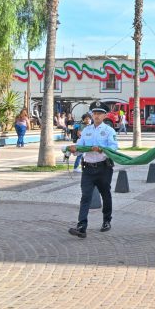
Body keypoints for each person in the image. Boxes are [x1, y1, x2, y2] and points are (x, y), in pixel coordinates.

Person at [66, 100, 119, 238]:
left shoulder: (109, 131)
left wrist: (102, 149)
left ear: (104, 115)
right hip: (88, 168)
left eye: (99, 113)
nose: (96, 116)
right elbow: (80, 147)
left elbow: (113, 148)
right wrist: (73, 149)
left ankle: (107, 220)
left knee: (105, 195)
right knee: (85, 197)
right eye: (94, 113)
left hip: (103, 168)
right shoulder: (86, 131)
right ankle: (82, 226)